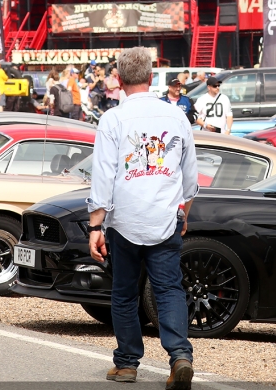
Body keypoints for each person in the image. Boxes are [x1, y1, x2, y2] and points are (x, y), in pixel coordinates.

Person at [86, 47, 198, 388]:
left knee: (124, 292)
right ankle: (179, 356)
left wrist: (95, 226)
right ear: (152, 78)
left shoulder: (113, 119)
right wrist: (184, 212)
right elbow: (190, 175)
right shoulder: (176, 115)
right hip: (165, 216)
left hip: (125, 219)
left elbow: (103, 176)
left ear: (118, 81)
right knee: (169, 290)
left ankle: (127, 363)